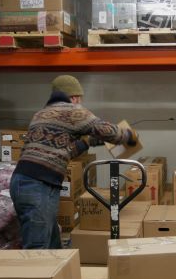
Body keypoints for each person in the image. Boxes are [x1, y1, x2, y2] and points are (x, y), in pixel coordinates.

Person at [10, 75, 138, 249]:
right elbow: (106, 130)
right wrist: (128, 136)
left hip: (25, 182)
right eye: (80, 99)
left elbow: (65, 150)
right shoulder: (72, 111)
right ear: (75, 96)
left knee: (53, 245)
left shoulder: (42, 113)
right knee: (37, 250)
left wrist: (87, 142)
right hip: (37, 185)